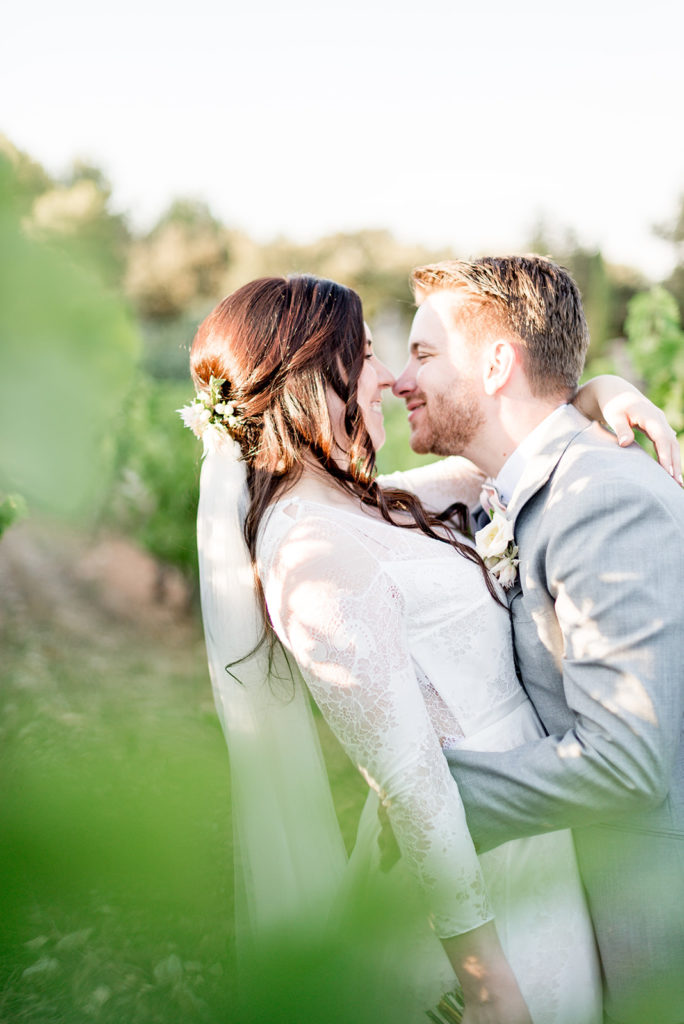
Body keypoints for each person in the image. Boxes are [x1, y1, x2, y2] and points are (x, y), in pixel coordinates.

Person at [181, 274, 674, 1024]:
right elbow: (413, 785)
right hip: (471, 885)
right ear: (317, 377)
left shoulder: (367, 501)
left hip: (534, 840)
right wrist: (487, 984)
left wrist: (595, 389)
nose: (387, 378)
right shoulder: (310, 554)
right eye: (370, 356)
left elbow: (506, 454)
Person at [389, 256, 684, 1024]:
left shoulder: (602, 497)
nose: (398, 378)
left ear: (495, 364)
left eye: (423, 354)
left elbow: (627, 761)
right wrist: (599, 393)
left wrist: (430, 798)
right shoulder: (526, 486)